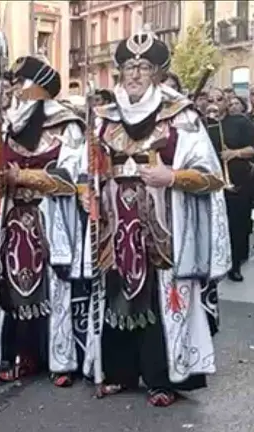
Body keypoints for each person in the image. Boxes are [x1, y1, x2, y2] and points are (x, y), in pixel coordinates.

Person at [88, 30, 229, 407]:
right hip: (115, 225)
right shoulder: (105, 117)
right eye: (128, 67)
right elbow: (91, 169)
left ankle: (160, 378)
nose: (134, 74)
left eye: (143, 67)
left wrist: (173, 177)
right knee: (117, 295)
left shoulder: (181, 116)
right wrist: (91, 187)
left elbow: (212, 176)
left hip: (164, 226)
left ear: (157, 72)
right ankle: (118, 372)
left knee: (158, 298)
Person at [0, 56, 86, 387]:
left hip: (51, 217)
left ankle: (60, 359)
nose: (15, 89)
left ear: (39, 86)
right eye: (14, 82)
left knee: (55, 287)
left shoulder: (67, 124)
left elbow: (70, 178)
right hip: (14, 217)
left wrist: (24, 176)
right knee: (13, 287)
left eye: (21, 82)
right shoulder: (7, 126)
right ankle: (20, 355)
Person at [205, 87, 254, 281]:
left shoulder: (240, 122)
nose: (215, 103)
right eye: (211, 100)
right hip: (211, 182)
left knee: (237, 224)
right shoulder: (203, 124)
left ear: (226, 102)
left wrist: (235, 153)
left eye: (219, 99)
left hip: (237, 180)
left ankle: (235, 264)